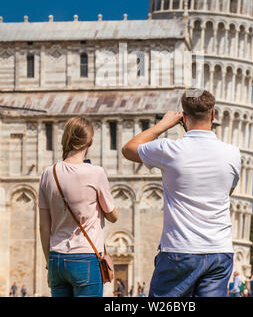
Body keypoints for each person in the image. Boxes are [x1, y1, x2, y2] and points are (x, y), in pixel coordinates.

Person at [122, 88, 241, 297]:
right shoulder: (233, 154)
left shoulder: (169, 150)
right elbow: (227, 192)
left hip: (180, 249)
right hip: (219, 250)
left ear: (184, 117)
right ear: (213, 115)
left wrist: (163, 124)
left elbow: (129, 149)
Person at [38, 116, 117, 297]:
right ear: (90, 142)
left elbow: (43, 226)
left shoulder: (48, 174)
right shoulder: (96, 172)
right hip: (85, 258)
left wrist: (49, 263)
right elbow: (113, 216)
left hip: (56, 259)